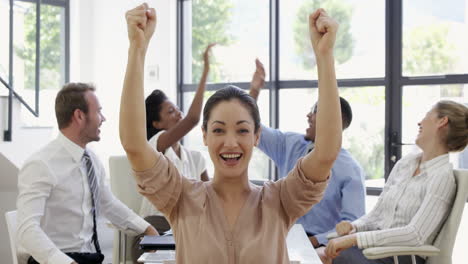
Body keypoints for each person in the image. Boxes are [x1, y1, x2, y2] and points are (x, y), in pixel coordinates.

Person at [120, 3, 341, 263]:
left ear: (256, 137)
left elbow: (325, 153)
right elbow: (135, 145)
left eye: (242, 130)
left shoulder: (279, 200)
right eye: (218, 130)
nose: (230, 142)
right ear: (204, 136)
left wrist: (324, 56)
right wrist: (137, 48)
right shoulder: (181, 196)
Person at [16, 83, 158, 264]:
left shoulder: (91, 160)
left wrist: (147, 229)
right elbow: (27, 229)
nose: (103, 118)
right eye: (98, 111)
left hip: (87, 257)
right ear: (79, 116)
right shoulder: (41, 164)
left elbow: (109, 205)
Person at [322, 100, 468, 264]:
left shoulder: (442, 177)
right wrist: (354, 227)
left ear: (442, 121)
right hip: (375, 251)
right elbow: (377, 214)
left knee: (318, 257)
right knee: (312, 255)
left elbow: (415, 235)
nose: (420, 122)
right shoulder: (406, 164)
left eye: (427, 115)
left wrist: (355, 239)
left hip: (399, 256)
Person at [249, 60, 366, 249]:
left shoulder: (351, 170)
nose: (308, 116)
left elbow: (353, 226)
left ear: (334, 119)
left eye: (314, 111)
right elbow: (250, 128)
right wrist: (254, 91)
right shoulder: (291, 144)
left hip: (319, 246)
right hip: (279, 236)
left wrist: (314, 242)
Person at [131, 44, 214, 262]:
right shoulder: (156, 144)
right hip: (158, 223)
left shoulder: (195, 158)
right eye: (170, 111)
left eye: (177, 107)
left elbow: (212, 197)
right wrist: (205, 71)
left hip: (188, 225)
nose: (178, 113)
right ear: (157, 123)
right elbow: (193, 119)